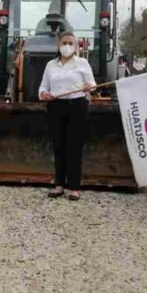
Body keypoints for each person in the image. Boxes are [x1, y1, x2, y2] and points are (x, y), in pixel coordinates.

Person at [38, 32, 96, 201]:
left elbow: (92, 84)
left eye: (71, 43)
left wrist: (88, 87)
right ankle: (59, 185)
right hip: (56, 107)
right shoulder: (50, 65)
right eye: (64, 42)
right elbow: (43, 87)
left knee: (74, 147)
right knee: (59, 146)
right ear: (58, 44)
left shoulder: (83, 63)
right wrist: (44, 94)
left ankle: (75, 188)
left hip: (77, 106)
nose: (67, 46)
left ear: (76, 46)